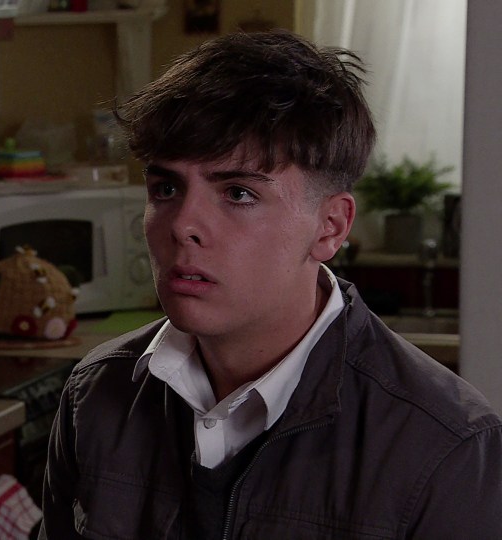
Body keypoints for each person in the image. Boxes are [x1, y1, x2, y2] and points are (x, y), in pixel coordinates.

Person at [39, 30, 502, 539]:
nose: (182, 225)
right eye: (166, 188)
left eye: (238, 193)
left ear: (331, 227)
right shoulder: (96, 392)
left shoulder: (445, 446)